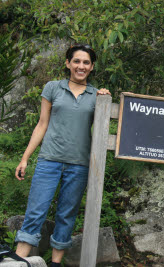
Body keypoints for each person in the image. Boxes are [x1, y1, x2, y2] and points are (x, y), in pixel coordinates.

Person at [14, 44, 110, 267]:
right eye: (76, 61)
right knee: (36, 211)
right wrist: (25, 158)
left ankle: (56, 264)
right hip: (49, 160)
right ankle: (18, 261)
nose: (81, 66)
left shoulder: (95, 95)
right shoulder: (53, 88)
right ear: (68, 63)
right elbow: (42, 124)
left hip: (79, 165)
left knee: (67, 215)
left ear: (92, 67)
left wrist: (104, 98)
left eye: (86, 63)